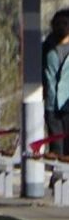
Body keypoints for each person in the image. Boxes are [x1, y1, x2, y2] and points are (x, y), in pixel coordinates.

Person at [45, 10, 69, 155]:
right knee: (57, 147)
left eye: (65, 24)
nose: (61, 27)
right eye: (58, 24)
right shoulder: (47, 47)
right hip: (52, 107)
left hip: (67, 105)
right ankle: (58, 175)